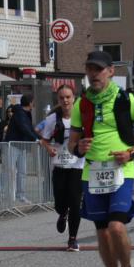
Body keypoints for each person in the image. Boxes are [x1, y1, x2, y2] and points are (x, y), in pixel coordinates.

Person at [68, 51, 134, 267]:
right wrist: (77, 148)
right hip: (93, 172)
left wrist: (132, 152)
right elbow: (72, 142)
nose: (94, 74)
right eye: (90, 69)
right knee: (103, 232)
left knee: (117, 226)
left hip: (121, 171)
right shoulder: (81, 104)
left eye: (99, 69)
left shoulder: (125, 99)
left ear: (110, 71)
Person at [38, 85, 84, 251]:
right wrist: (49, 148)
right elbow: (43, 139)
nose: (65, 100)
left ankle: (72, 239)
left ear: (74, 98)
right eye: (62, 98)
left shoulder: (81, 118)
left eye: (68, 97)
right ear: (58, 100)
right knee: (59, 203)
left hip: (77, 165)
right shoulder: (52, 119)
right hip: (59, 165)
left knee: (75, 202)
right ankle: (62, 213)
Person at [5, 93, 38, 204]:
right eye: (33, 101)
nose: (34, 104)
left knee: (22, 172)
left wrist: (39, 138)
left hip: (22, 146)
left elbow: (30, 129)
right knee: (11, 172)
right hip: (13, 146)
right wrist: (36, 139)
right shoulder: (19, 113)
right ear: (30, 103)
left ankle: (21, 195)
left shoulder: (27, 113)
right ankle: (10, 197)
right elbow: (24, 128)